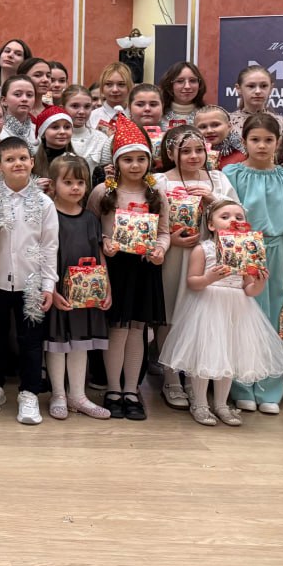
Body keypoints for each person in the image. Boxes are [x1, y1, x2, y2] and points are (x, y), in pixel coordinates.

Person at [159, 198, 283, 427]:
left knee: (228, 356)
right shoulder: (203, 249)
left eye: (238, 217)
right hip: (208, 307)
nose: (233, 220)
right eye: (225, 216)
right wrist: (209, 277)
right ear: (211, 225)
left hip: (237, 309)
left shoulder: (246, 252)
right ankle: (200, 403)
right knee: (204, 357)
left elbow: (249, 289)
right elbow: (193, 282)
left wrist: (260, 282)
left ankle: (221, 404)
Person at [223, 113, 283, 413]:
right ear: (244, 141)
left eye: (268, 140)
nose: (262, 146)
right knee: (242, 319)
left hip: (275, 252)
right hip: (241, 252)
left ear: (278, 142)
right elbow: (224, 213)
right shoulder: (232, 173)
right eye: (255, 139)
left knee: (271, 320)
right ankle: (241, 385)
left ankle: (269, 387)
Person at [88, 115, 169, 421]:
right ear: (117, 162)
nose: (135, 166)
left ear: (149, 161)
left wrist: (160, 249)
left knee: (137, 330)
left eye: (141, 159)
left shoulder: (156, 194)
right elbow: (90, 229)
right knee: (117, 330)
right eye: (128, 159)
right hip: (115, 270)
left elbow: (164, 232)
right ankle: (112, 389)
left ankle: (132, 390)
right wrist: (105, 242)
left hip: (144, 269)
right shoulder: (103, 193)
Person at [152, 126, 238, 409]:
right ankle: (170, 378)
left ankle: (193, 377)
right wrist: (169, 239)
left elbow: (236, 217)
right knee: (170, 314)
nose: (193, 156)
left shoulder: (218, 179)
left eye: (199, 150)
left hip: (209, 258)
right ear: (171, 153)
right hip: (174, 256)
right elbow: (149, 220)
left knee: (199, 317)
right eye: (185, 151)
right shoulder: (160, 181)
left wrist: (214, 200)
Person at [0, 137, 58, 425]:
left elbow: (49, 246)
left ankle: (29, 393)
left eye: (23, 158)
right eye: (10, 160)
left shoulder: (44, 203)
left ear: (32, 162)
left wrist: (49, 285)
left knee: (31, 341)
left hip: (31, 284)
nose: (18, 164)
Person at [43, 154, 111, 420]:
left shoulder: (91, 218)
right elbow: (41, 255)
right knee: (58, 342)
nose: (75, 188)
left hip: (86, 294)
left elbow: (99, 253)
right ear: (53, 184)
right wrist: (52, 289)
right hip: (58, 291)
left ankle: (78, 396)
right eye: (68, 182)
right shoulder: (49, 215)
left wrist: (106, 287)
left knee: (81, 343)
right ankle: (58, 394)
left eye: (80, 183)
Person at [230, 65, 283, 166]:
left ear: (271, 88)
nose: (258, 91)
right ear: (238, 88)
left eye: (263, 86)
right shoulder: (227, 123)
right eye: (251, 86)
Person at [64, 85, 109, 172]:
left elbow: (107, 174)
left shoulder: (101, 139)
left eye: (87, 106)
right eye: (75, 106)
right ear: (62, 108)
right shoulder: (56, 136)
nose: (82, 111)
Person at [158, 61, 207, 130]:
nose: (187, 86)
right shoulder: (157, 116)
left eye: (192, 81)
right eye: (180, 81)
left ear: (200, 85)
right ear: (169, 86)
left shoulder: (209, 116)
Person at [87, 63, 134, 132]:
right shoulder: (91, 117)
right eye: (109, 84)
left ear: (129, 87)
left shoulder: (136, 116)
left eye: (121, 84)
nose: (115, 90)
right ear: (102, 87)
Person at [0, 75, 37, 150]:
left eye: (29, 95)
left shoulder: (38, 130)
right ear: (4, 100)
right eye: (17, 94)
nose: (24, 99)